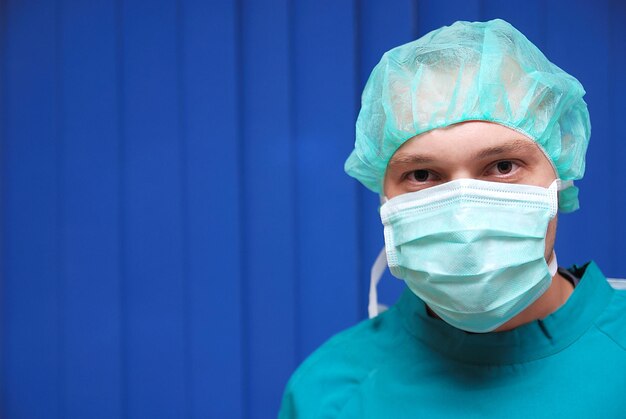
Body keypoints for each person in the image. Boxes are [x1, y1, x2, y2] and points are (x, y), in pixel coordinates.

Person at [278, 19, 626, 418]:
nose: (464, 210)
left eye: (502, 165)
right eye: (422, 175)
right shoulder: (330, 393)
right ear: (385, 197)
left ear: (560, 177)